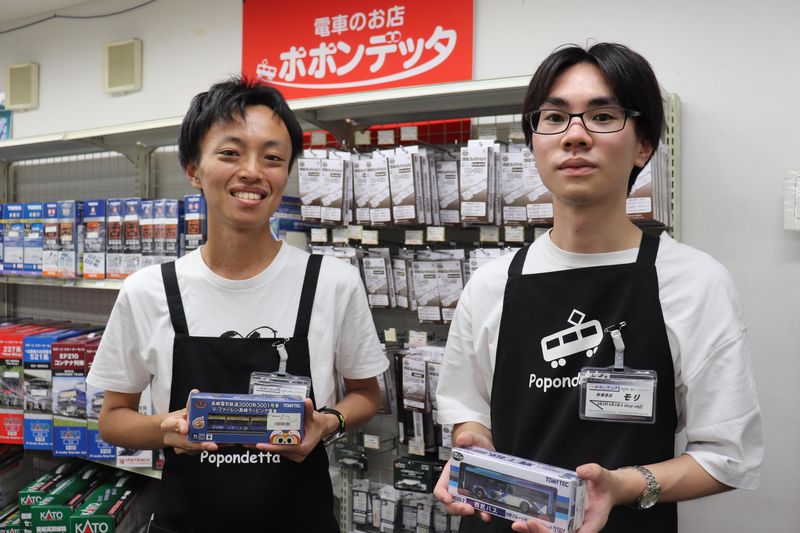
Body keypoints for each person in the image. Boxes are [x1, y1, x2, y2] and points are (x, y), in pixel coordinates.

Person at [433, 42, 763, 533]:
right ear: (534, 141)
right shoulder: (491, 283)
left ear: (643, 145)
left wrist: (623, 486)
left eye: (602, 116)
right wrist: (473, 441)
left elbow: (727, 456)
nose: (575, 136)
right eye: (554, 118)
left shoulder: (695, 282)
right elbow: (468, 408)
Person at [87, 77, 389, 532]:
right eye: (230, 153)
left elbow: (366, 393)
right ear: (193, 169)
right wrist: (167, 429)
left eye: (272, 158)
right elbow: (112, 419)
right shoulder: (148, 290)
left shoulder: (332, 283)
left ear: (286, 173)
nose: (252, 171)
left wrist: (328, 423)